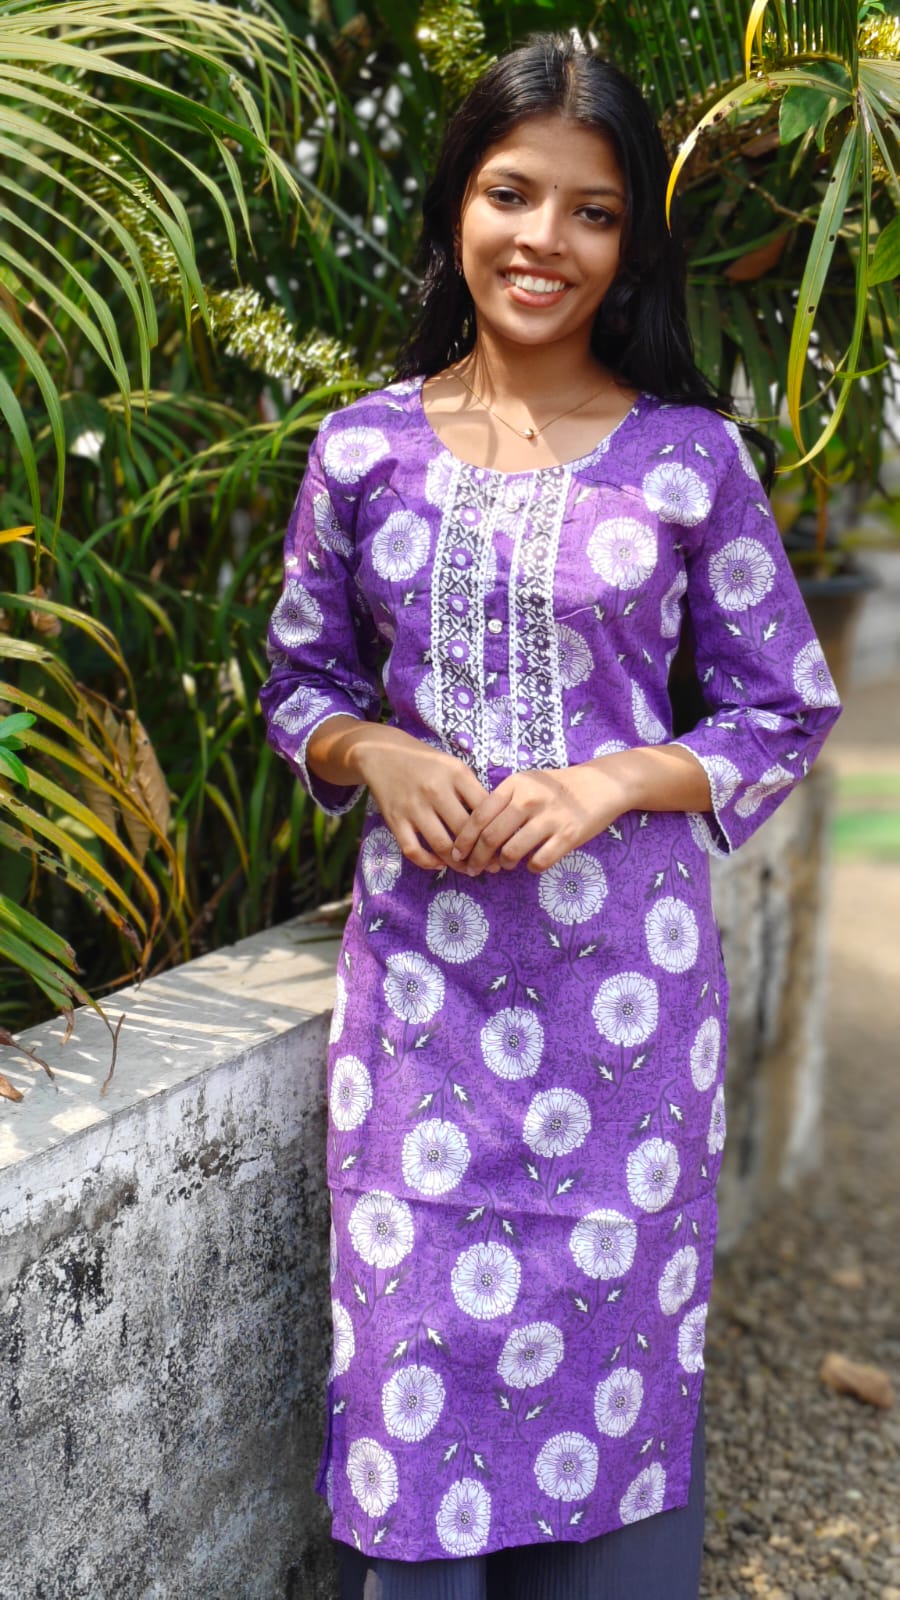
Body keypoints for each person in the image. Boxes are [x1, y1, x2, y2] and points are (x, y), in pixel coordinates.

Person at [260, 32, 841, 1600]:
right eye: (513, 194)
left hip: (628, 1020)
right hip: (421, 1019)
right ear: (459, 204)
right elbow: (298, 691)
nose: (545, 240)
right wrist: (372, 753)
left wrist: (614, 779)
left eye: (591, 211)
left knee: (613, 1369)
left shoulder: (689, 461)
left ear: (631, 239)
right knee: (411, 1371)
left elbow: (781, 706)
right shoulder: (363, 449)